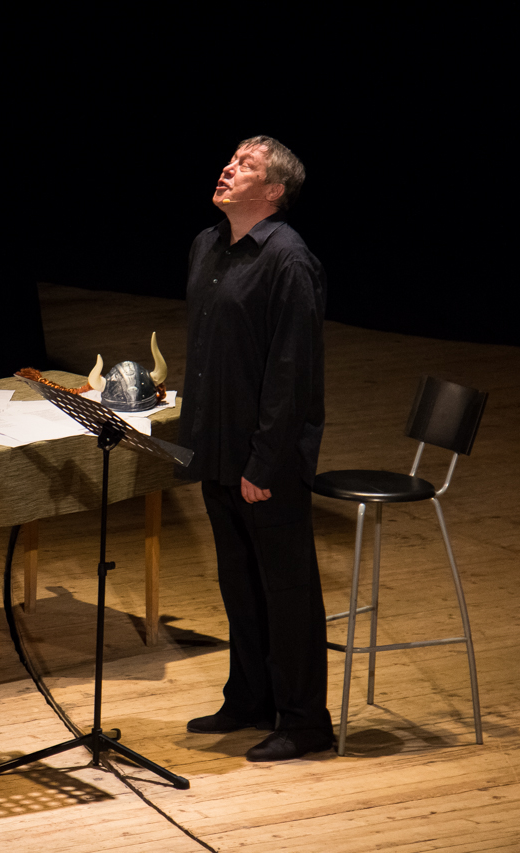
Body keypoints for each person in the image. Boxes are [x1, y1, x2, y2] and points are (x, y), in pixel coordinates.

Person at [176, 135, 333, 761]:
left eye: (246, 165)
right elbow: (212, 352)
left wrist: (263, 463)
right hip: (216, 448)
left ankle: (305, 721)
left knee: (287, 592)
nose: (228, 168)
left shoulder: (289, 261)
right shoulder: (206, 244)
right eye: (231, 159)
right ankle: (249, 698)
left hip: (266, 460)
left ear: (273, 191)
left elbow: (292, 374)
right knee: (239, 583)